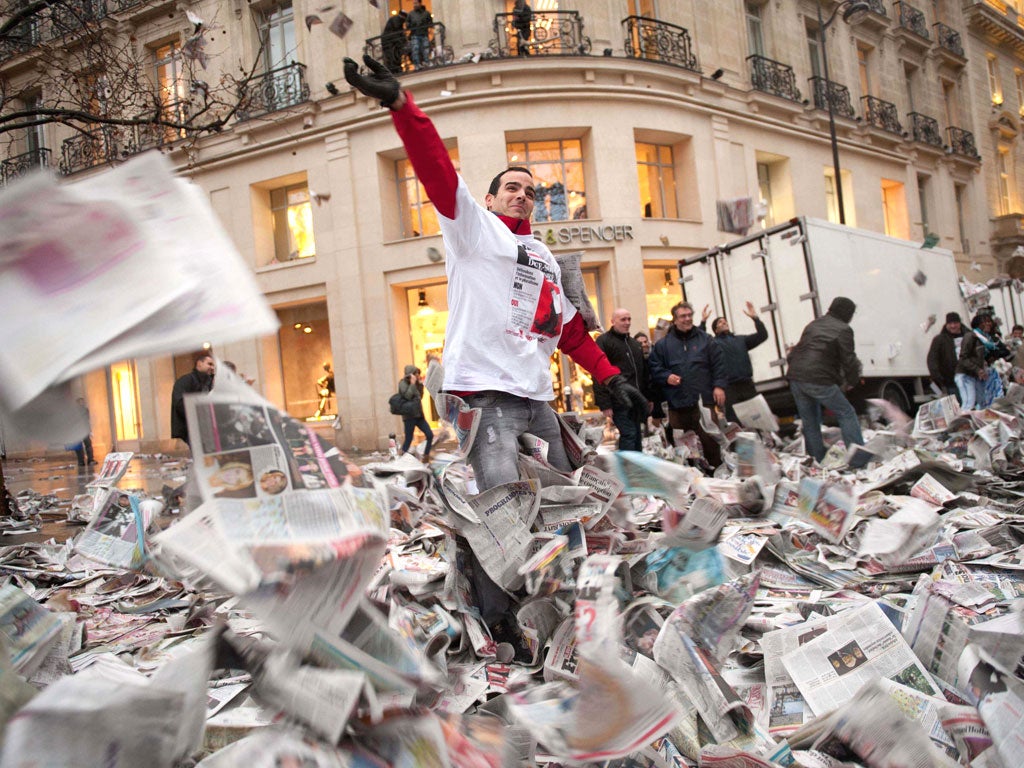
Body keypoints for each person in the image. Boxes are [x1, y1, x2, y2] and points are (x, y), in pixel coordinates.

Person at [342, 55, 645, 493]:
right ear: (489, 199)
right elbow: (439, 174)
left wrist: (611, 377)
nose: (522, 195)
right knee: (503, 503)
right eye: (512, 188)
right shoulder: (474, 232)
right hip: (484, 395)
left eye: (530, 191)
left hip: (535, 397)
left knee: (566, 492)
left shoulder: (542, 254)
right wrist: (403, 107)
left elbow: (567, 332)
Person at [648, 301, 727, 468]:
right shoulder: (664, 345)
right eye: (683, 316)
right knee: (683, 447)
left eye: (690, 315)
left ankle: (718, 474)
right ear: (675, 320)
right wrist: (666, 376)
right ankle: (692, 479)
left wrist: (719, 386)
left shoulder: (706, 339)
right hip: (677, 403)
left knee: (710, 441)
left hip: (704, 402)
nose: (687, 319)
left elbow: (719, 364)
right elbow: (654, 367)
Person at [785, 296, 863, 463]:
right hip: (817, 377)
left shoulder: (813, 324)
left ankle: (817, 461)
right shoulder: (844, 329)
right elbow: (849, 360)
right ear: (847, 312)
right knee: (846, 413)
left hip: (796, 377)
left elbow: (798, 351)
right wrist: (852, 382)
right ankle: (858, 460)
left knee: (810, 420)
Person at [593, 309, 653, 452]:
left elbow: (643, 373)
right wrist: (605, 403)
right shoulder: (604, 341)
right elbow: (597, 372)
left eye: (629, 319)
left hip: (636, 400)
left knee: (637, 436)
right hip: (617, 400)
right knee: (629, 434)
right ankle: (628, 470)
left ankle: (634, 469)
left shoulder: (634, 344)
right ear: (613, 321)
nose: (627, 323)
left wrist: (648, 398)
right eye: (623, 319)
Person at [710, 301, 768, 422]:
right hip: (729, 388)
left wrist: (755, 318)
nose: (724, 322)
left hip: (747, 385)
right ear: (715, 330)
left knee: (757, 418)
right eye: (720, 322)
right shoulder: (713, 344)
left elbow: (762, 335)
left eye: (725, 320)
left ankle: (761, 440)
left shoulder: (741, 340)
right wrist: (703, 322)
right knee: (735, 420)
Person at [956, 312, 1004, 410]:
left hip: (976, 375)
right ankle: (960, 424)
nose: (988, 324)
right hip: (965, 374)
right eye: (985, 322)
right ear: (978, 324)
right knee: (969, 402)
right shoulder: (970, 336)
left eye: (989, 322)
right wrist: (978, 369)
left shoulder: (985, 339)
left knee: (983, 403)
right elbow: (963, 358)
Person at [171, 351, 215, 447]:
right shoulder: (185, 381)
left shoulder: (209, 383)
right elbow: (179, 403)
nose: (212, 368)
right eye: (209, 364)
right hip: (192, 429)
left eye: (213, 365)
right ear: (199, 363)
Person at [398, 365, 433, 461]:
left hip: (419, 415)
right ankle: (400, 458)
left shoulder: (417, 383)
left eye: (418, 373)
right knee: (408, 440)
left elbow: (420, 397)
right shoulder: (402, 383)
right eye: (416, 373)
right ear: (411, 374)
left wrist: (420, 385)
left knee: (429, 435)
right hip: (409, 416)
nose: (418, 375)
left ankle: (426, 456)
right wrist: (412, 384)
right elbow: (407, 397)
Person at [926, 312, 964, 398]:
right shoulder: (939, 340)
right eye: (950, 323)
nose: (953, 326)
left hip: (969, 381)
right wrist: (939, 378)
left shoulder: (968, 337)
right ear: (946, 324)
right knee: (957, 407)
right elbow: (932, 359)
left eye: (955, 323)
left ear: (960, 324)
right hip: (951, 383)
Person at [71, 397, 96, 467]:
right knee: (87, 445)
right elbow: (87, 420)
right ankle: (90, 460)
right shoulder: (85, 410)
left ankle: (81, 461)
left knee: (80, 447)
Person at [406, 2, 432, 69]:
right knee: (415, 49)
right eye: (414, 3)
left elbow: (430, 22)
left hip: (424, 34)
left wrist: (425, 26)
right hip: (415, 34)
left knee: (425, 49)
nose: (414, 5)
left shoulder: (426, 13)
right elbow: (407, 24)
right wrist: (411, 25)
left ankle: (426, 62)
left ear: (420, 3)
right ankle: (417, 64)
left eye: (416, 3)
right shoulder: (411, 14)